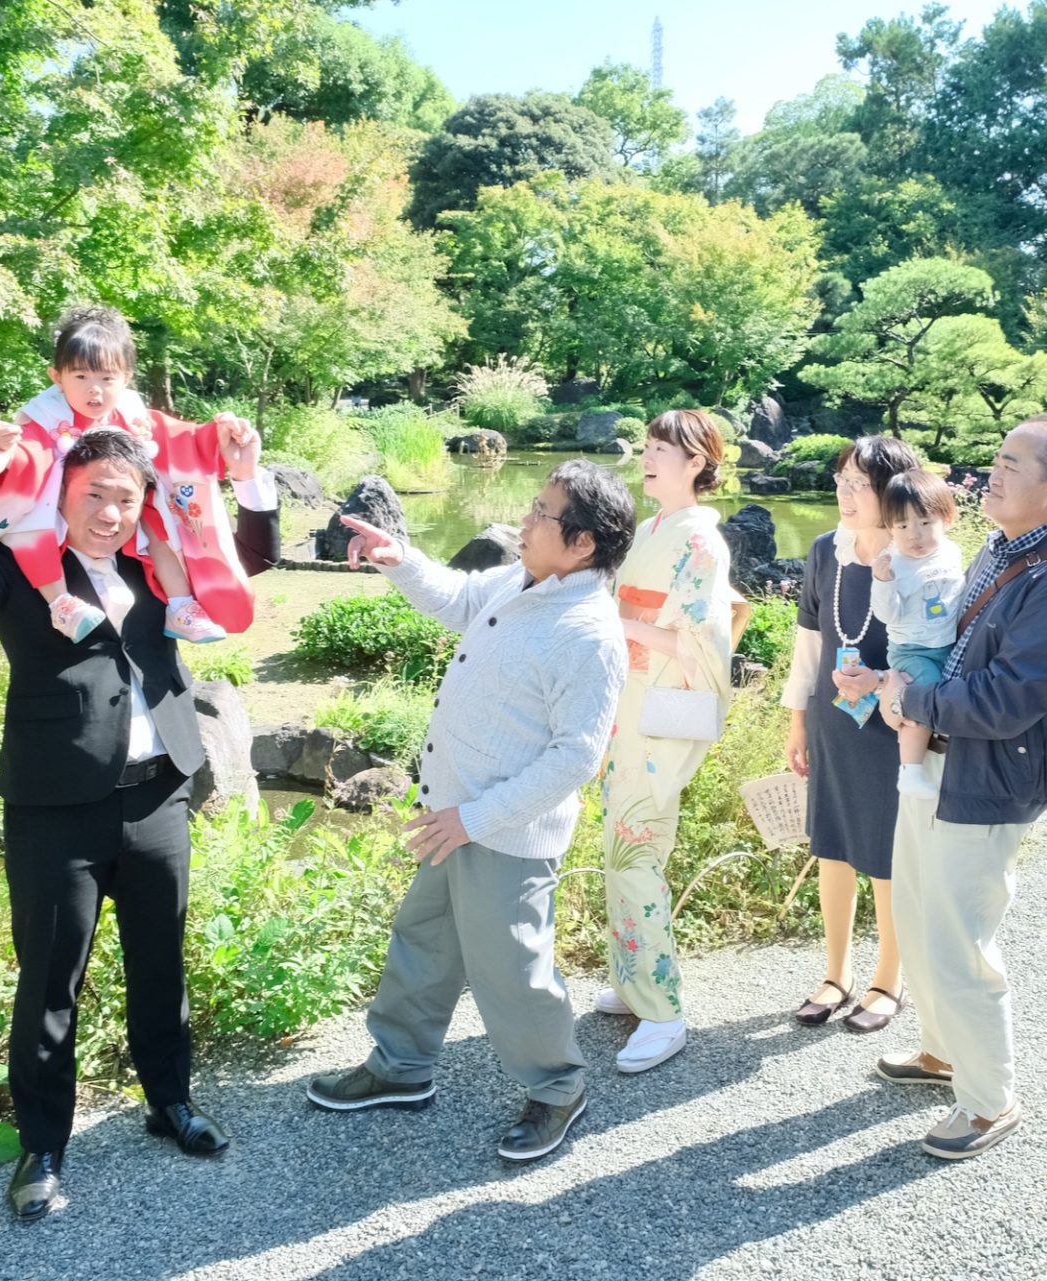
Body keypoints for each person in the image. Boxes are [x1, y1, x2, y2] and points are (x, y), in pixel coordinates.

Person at [0, 420, 280, 1222]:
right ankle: (42, 1143)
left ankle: (169, 1101)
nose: (110, 512)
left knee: (159, 961)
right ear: (61, 497)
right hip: (55, 808)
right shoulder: (16, 566)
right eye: (93, 495)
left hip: (158, 794)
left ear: (144, 503)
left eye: (125, 497)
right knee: (49, 982)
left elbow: (254, 559)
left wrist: (250, 480)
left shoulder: (161, 562)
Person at [306, 460, 636, 1164]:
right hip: (451, 812)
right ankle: (400, 1067)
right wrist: (400, 559)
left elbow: (576, 757)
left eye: (542, 512)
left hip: (504, 829)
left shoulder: (589, 632)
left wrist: (475, 818)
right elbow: (457, 597)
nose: (526, 518)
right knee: (423, 939)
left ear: (582, 543)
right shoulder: (521, 581)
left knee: (511, 966)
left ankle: (558, 1087)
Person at [876, 413, 1047, 1159]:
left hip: (987, 774)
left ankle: (988, 1102)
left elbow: (1007, 699)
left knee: (960, 941)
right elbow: (946, 649)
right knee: (919, 915)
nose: (994, 474)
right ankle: (944, 1051)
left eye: (1013, 464)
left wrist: (911, 700)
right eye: (996, 459)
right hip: (943, 762)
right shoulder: (1005, 548)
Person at [0, 307, 253, 645]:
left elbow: (178, 438)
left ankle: (180, 606)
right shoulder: (44, 416)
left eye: (107, 378)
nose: (96, 391)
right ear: (56, 376)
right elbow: (24, 454)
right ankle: (60, 601)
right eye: (81, 377)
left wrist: (218, 437)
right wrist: (4, 445)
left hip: (118, 504)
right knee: (31, 527)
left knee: (158, 521)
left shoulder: (132, 413)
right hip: (57, 506)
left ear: (126, 376)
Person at [590, 409, 738, 1073]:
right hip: (631, 703)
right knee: (617, 844)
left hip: (660, 710)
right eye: (646, 446)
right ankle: (633, 978)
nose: (647, 458)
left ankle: (663, 1010)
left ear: (699, 463)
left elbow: (702, 641)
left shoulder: (702, 541)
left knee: (636, 851)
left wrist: (617, 621)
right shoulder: (653, 527)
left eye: (663, 449)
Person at [782, 436, 924, 1035]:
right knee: (832, 846)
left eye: (859, 483)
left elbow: (936, 653)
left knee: (888, 854)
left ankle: (888, 979)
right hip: (832, 721)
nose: (845, 491)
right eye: (841, 479)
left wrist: (883, 679)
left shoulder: (915, 556)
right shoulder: (825, 551)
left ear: (891, 491)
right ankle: (835, 974)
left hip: (892, 727)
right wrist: (796, 720)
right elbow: (807, 644)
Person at [869, 468, 966, 800]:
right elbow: (886, 614)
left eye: (925, 523)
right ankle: (909, 772)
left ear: (947, 519)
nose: (915, 535)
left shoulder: (951, 552)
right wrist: (883, 582)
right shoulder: (893, 565)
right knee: (921, 696)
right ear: (890, 528)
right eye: (903, 526)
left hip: (948, 645)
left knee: (950, 698)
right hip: (912, 650)